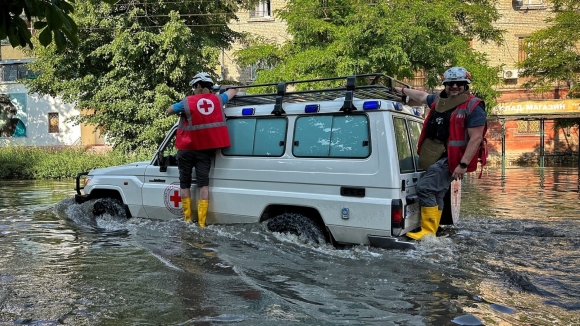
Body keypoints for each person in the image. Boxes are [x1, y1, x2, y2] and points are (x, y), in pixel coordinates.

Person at [394, 66, 487, 240]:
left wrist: (462, 164)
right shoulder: (440, 100)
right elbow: (421, 97)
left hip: (453, 159)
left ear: (466, 85)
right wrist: (401, 90)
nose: (454, 87)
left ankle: (428, 231)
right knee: (437, 192)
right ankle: (433, 231)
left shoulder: (474, 106)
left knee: (425, 188)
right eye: (450, 83)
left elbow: (476, 138)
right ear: (445, 84)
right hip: (438, 156)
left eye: (459, 83)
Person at [166, 72, 241, 227]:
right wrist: (221, 89)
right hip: (205, 151)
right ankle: (201, 223)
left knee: (184, 184)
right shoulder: (218, 99)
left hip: (186, 149)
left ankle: (187, 220)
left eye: (194, 87)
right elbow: (235, 89)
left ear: (198, 85)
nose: (193, 90)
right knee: (203, 185)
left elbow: (169, 110)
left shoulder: (187, 102)